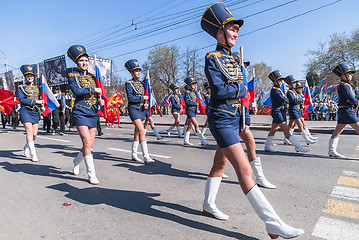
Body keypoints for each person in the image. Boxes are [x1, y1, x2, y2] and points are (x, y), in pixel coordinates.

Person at [200, 3, 303, 239]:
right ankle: (272, 223)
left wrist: (243, 110)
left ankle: (208, 204)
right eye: (231, 29)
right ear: (219, 32)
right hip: (220, 119)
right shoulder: (212, 58)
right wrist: (240, 88)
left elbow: (238, 93)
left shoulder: (236, 59)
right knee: (244, 169)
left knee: (219, 164)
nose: (235, 32)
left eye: (237, 29)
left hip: (235, 118)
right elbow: (219, 90)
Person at [232, 53, 277, 189]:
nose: (244, 67)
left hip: (241, 119)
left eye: (245, 65)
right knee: (221, 155)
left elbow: (244, 103)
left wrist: (246, 120)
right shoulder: (233, 80)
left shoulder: (243, 82)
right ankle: (217, 175)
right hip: (232, 119)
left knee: (251, 144)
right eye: (242, 64)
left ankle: (259, 177)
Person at [67, 44, 103, 184]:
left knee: (90, 145)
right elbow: (76, 91)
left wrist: (101, 102)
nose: (84, 63)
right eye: (82, 61)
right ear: (77, 62)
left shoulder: (94, 77)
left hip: (93, 112)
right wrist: (93, 90)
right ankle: (91, 174)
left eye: (86, 61)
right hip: (80, 111)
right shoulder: (72, 75)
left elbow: (99, 94)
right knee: (87, 142)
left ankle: (76, 160)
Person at [264, 70, 309, 153]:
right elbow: (284, 99)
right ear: (275, 81)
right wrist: (289, 100)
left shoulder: (277, 89)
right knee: (286, 131)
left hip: (280, 112)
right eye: (279, 80)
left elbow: (285, 100)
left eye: (281, 80)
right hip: (277, 112)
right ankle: (298, 146)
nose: (281, 82)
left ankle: (267, 146)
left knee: (274, 129)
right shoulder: (275, 90)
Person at [125, 59, 154, 163]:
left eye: (139, 71)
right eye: (136, 71)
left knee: (137, 132)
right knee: (142, 131)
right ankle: (146, 156)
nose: (138, 73)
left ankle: (133, 154)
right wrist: (143, 98)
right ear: (131, 73)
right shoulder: (129, 83)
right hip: (134, 109)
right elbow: (131, 98)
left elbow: (145, 96)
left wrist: (145, 103)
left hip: (141, 109)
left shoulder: (142, 84)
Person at [328, 62, 359, 158]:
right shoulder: (344, 86)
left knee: (338, 131)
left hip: (344, 111)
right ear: (343, 75)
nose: (351, 75)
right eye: (349, 73)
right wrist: (356, 102)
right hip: (347, 111)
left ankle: (331, 150)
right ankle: (331, 150)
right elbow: (351, 98)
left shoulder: (345, 85)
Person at [18, 65, 44, 162]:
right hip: (25, 111)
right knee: (29, 131)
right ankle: (34, 154)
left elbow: (42, 98)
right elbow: (21, 100)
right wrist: (35, 102)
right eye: (28, 76)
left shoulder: (38, 87)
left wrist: (42, 105)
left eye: (31, 76)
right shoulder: (21, 87)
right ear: (25, 77)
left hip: (35, 111)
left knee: (34, 134)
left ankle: (27, 146)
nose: (30, 77)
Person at [284, 76, 316, 145]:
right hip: (293, 110)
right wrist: (301, 100)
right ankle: (307, 139)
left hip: (297, 110)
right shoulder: (289, 92)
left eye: (295, 83)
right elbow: (294, 100)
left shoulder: (293, 92)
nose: (295, 84)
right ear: (290, 85)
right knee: (300, 124)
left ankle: (286, 138)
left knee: (291, 126)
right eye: (293, 83)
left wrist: (301, 102)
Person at [183, 76, 208, 146]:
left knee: (190, 126)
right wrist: (195, 103)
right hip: (189, 110)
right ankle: (202, 141)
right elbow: (187, 102)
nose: (194, 85)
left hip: (193, 110)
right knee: (196, 125)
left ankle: (186, 140)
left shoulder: (194, 92)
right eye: (192, 84)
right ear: (189, 85)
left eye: (194, 84)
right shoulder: (187, 93)